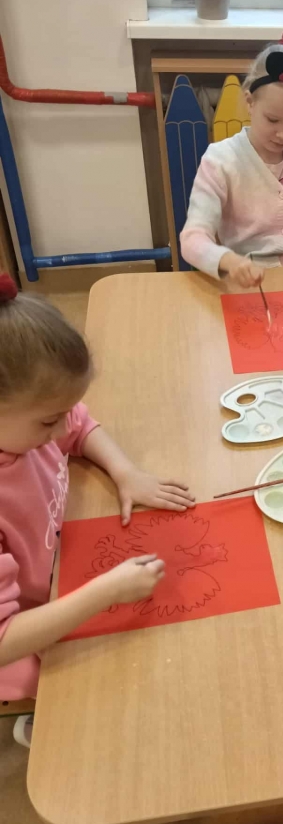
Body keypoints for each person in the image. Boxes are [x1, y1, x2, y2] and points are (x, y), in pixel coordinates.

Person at [0, 275, 195, 745]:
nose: (61, 429)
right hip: (25, 630)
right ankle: (42, 724)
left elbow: (79, 425)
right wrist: (105, 592)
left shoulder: (27, 425)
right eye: (48, 421)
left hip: (61, 569)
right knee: (109, 701)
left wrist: (125, 471)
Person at [181, 32, 283, 297]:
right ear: (250, 102)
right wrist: (228, 261)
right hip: (244, 285)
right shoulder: (221, 160)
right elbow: (192, 239)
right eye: (272, 120)